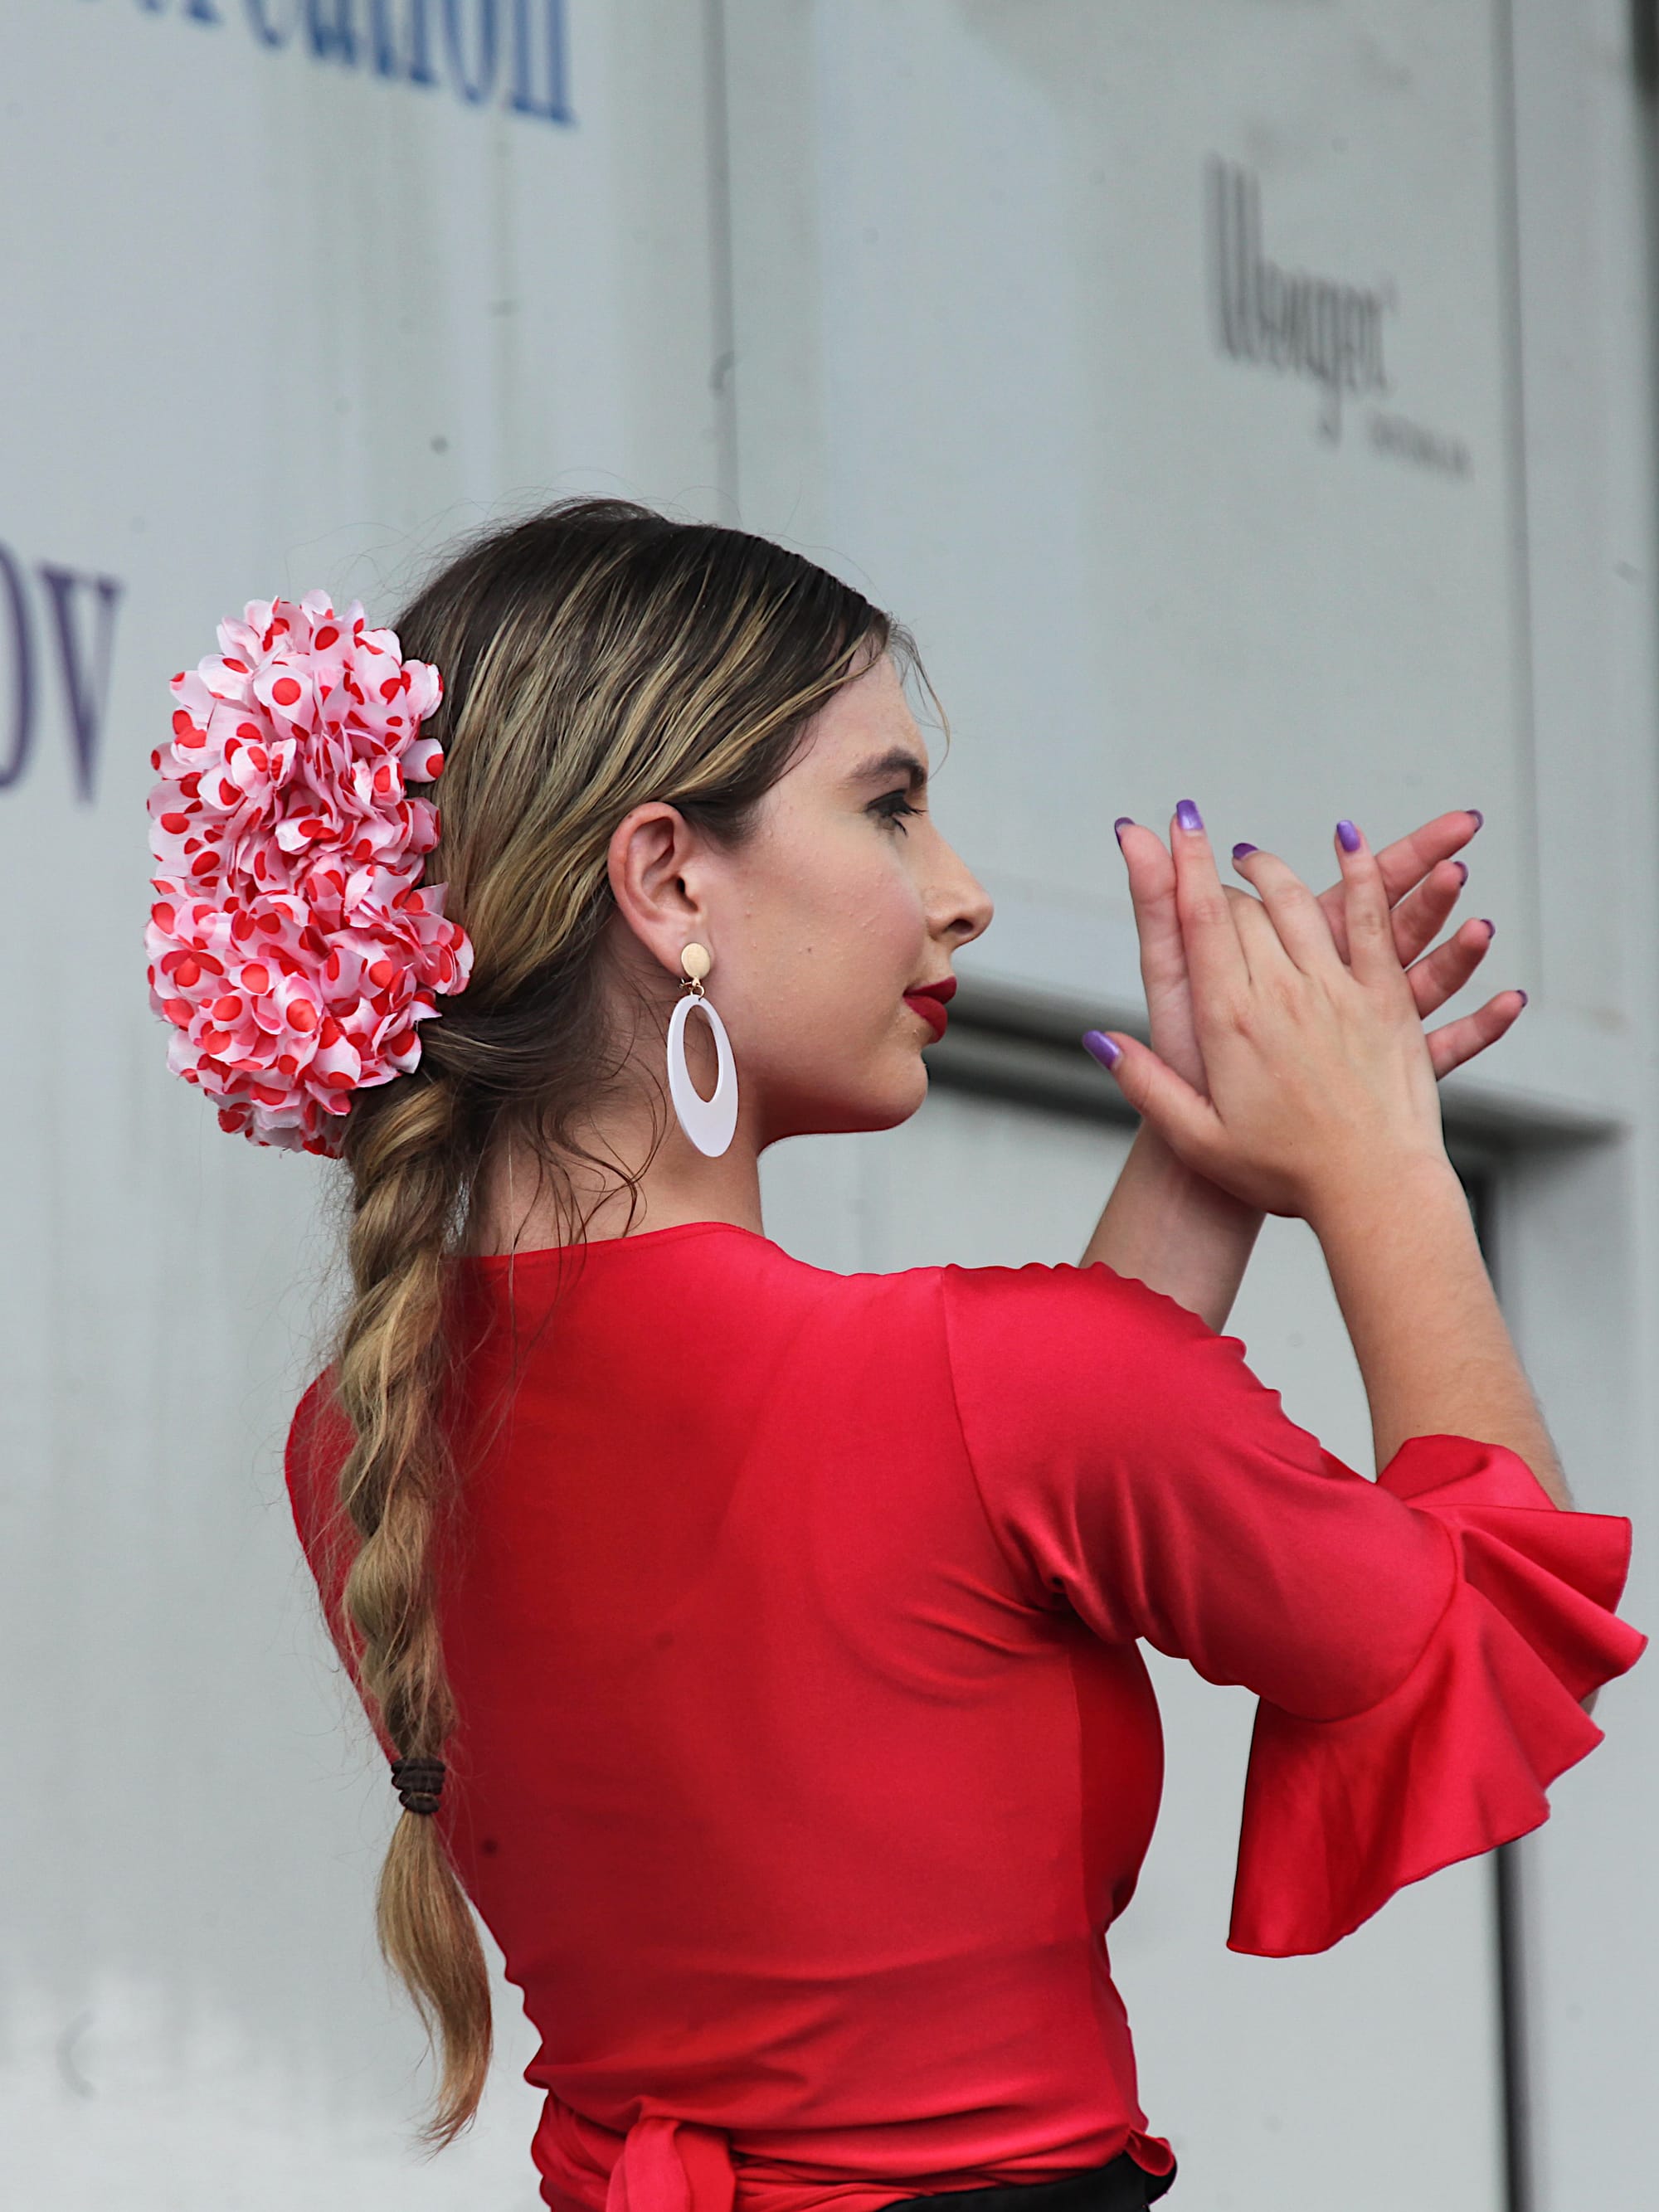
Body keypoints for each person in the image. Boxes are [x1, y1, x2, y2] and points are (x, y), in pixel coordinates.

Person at [154, 497, 1643, 2212]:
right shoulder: (1000, 1388)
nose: (963, 896)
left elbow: (954, 1552)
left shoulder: (354, 1439)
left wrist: (1206, 1164)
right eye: (889, 806)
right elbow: (1502, 1624)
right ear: (666, 876)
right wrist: (1385, 1165)